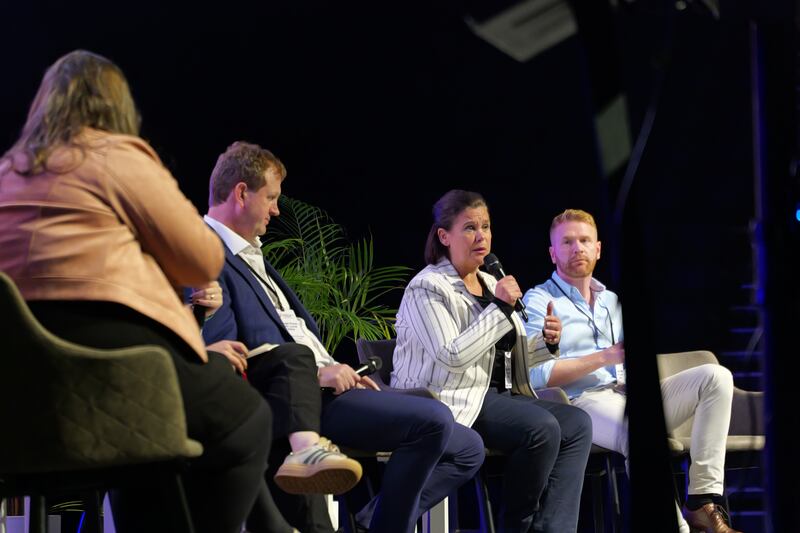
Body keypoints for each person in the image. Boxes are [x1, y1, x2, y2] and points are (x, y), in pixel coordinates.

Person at [0, 50, 296, 533]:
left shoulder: (6, 173)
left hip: (17, 391)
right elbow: (202, 258)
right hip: (111, 368)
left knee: (147, 463)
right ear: (118, 108)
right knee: (245, 421)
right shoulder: (116, 155)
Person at [200, 142, 485, 533]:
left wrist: (338, 368)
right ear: (241, 193)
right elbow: (226, 354)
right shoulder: (205, 253)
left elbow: (294, 332)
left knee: (467, 445)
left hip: (326, 384)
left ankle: (372, 517)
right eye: (271, 198)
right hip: (297, 399)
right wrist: (317, 374)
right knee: (432, 420)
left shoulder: (252, 255)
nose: (277, 210)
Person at [522, 209, 740, 533]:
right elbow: (537, 376)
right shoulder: (540, 300)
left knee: (715, 376)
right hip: (579, 402)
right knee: (637, 427)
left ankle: (701, 501)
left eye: (584, 240)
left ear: (598, 248)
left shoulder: (611, 300)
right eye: (566, 242)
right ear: (552, 253)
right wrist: (603, 358)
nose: (576, 248)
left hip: (623, 393)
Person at [391, 189, 593, 533]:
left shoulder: (490, 281)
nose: (481, 235)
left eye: (485, 226)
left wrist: (545, 343)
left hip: (497, 395)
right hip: (447, 398)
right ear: (444, 236)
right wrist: (500, 309)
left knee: (577, 424)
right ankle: (517, 526)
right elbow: (451, 355)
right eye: (469, 227)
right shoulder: (427, 287)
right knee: (541, 428)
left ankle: (555, 528)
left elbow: (504, 353)